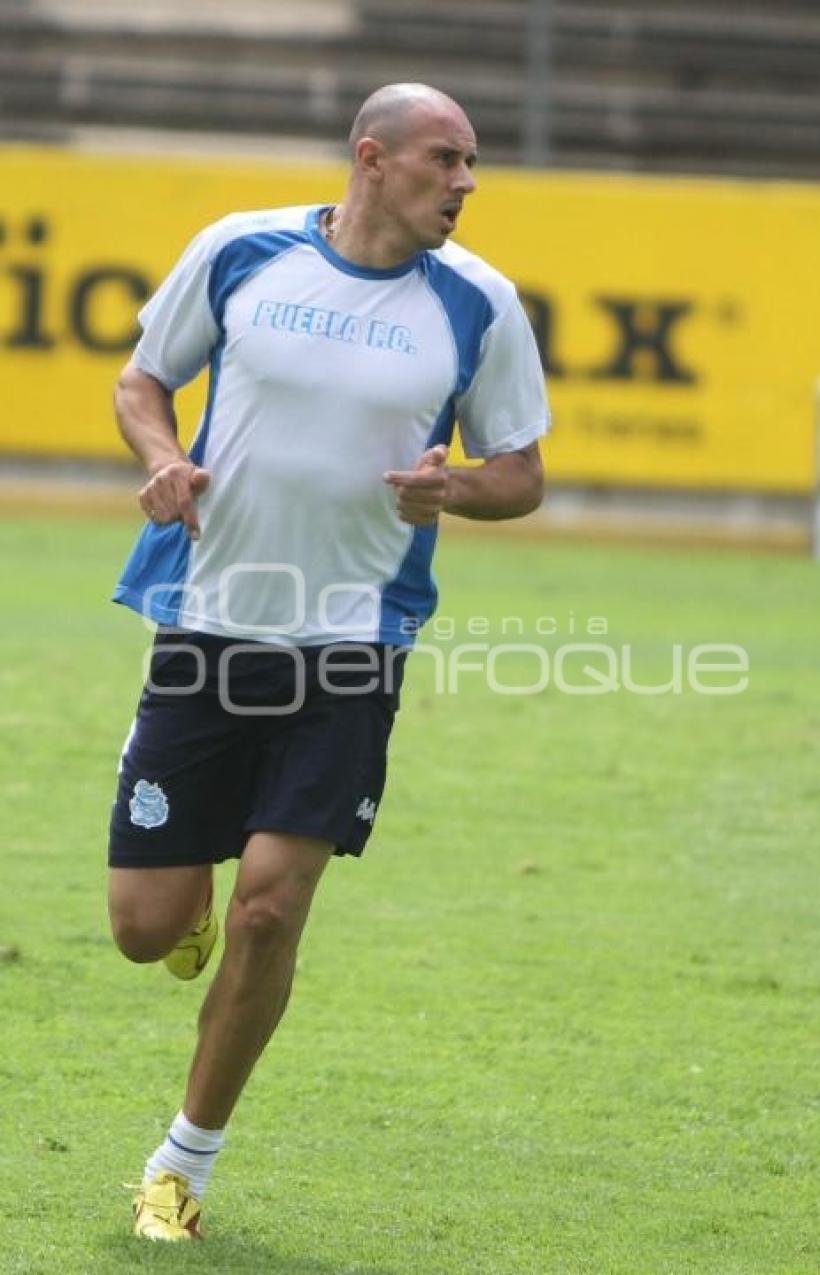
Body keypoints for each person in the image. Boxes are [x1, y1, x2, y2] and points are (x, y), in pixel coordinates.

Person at [108, 81, 549, 1241]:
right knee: (148, 929)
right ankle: (180, 876)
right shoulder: (241, 251)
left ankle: (181, 1169)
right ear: (372, 157)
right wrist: (162, 459)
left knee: (268, 912)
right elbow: (141, 382)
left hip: (354, 644)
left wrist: (454, 486)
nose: (465, 182)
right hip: (206, 624)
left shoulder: (480, 304)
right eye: (444, 160)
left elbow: (523, 472)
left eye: (472, 164)